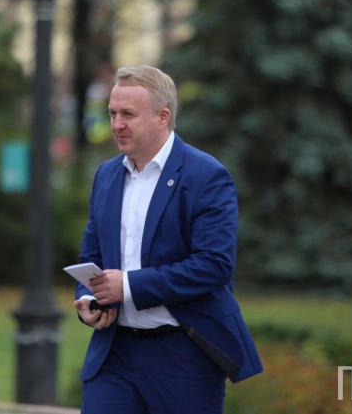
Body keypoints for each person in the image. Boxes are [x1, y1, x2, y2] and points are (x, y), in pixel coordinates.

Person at [74, 65, 263, 414]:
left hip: (183, 356)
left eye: (128, 114)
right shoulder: (106, 175)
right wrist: (88, 299)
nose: (117, 124)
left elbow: (214, 265)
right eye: (112, 113)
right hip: (114, 355)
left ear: (163, 117)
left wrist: (128, 287)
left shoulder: (206, 175)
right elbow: (92, 256)